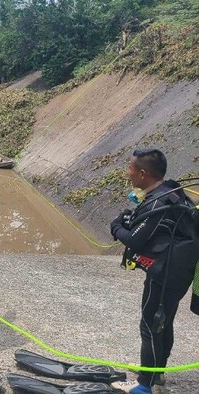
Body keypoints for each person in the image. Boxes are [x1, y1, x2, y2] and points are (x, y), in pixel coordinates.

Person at [109, 148, 199, 394]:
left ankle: (143, 386)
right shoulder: (171, 192)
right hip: (181, 270)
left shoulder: (159, 201)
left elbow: (135, 240)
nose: (127, 173)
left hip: (165, 273)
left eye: (129, 168)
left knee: (149, 324)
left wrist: (116, 226)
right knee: (164, 321)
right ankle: (156, 373)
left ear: (142, 173)